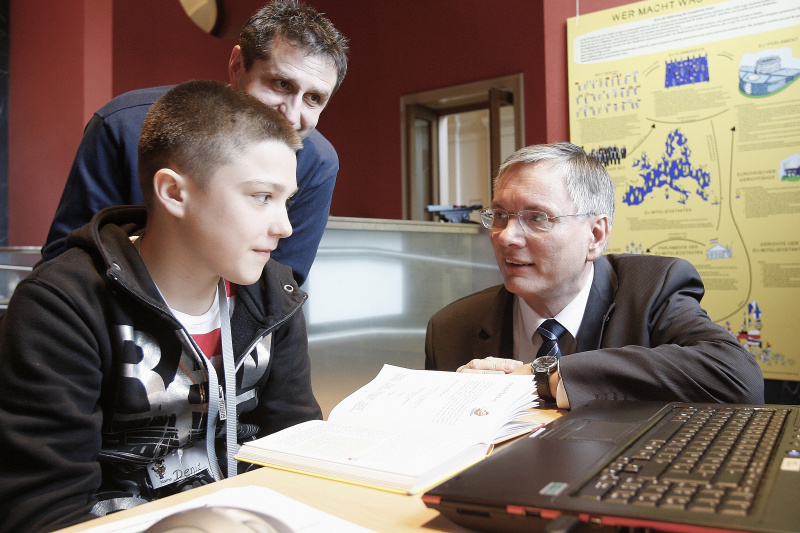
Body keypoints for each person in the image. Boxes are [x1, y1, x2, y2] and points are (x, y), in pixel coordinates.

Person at [0, 80, 322, 533]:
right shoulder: (62, 307)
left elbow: (298, 454)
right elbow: (42, 511)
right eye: (261, 197)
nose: (285, 227)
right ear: (173, 193)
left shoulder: (273, 295)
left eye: (286, 200)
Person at [425, 142, 764, 408]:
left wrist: (546, 376)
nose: (507, 236)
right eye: (500, 214)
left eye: (537, 217)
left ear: (596, 236)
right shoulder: (451, 328)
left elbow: (737, 377)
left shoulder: (651, 290)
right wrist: (457, 399)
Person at [41, 0, 349, 286]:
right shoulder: (123, 125)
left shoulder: (318, 162)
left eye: (313, 98)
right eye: (281, 84)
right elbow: (64, 261)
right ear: (238, 65)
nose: (292, 115)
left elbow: (281, 287)